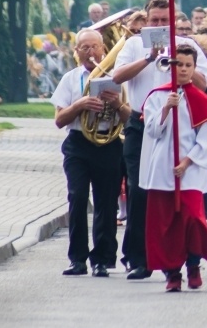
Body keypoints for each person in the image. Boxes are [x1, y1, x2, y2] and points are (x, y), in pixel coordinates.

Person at [112, 0, 207, 281]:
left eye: (164, 21)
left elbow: (206, 82)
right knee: (140, 190)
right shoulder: (134, 44)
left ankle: (183, 256)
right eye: (154, 20)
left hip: (180, 124)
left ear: (173, 21)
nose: (159, 25)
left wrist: (181, 66)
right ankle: (138, 258)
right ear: (146, 21)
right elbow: (117, 76)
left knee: (177, 196)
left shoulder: (186, 45)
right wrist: (149, 58)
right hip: (141, 124)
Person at [139, 44, 207, 292]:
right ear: (171, 67)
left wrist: (187, 161)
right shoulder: (157, 96)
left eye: (188, 65)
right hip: (163, 169)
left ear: (194, 68)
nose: (184, 70)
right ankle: (172, 273)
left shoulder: (201, 100)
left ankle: (194, 264)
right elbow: (153, 131)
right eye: (179, 65)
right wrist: (166, 108)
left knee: (193, 220)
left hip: (190, 171)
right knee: (166, 224)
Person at [51, 29, 127, 277]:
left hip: (109, 143)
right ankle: (77, 259)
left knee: (106, 202)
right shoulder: (70, 79)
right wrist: (80, 105)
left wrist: (116, 104)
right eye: (84, 47)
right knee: (78, 197)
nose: (91, 52)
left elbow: (129, 118)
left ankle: (102, 259)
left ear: (104, 49)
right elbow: (59, 120)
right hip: (78, 144)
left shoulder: (118, 78)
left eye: (95, 46)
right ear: (76, 52)